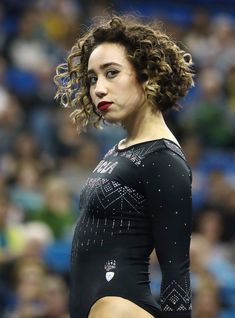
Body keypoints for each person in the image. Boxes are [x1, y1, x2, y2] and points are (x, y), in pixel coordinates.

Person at [54, 14, 194, 318]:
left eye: (111, 73)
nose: (98, 89)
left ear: (147, 74)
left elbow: (176, 272)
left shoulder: (163, 159)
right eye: (92, 79)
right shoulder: (122, 148)